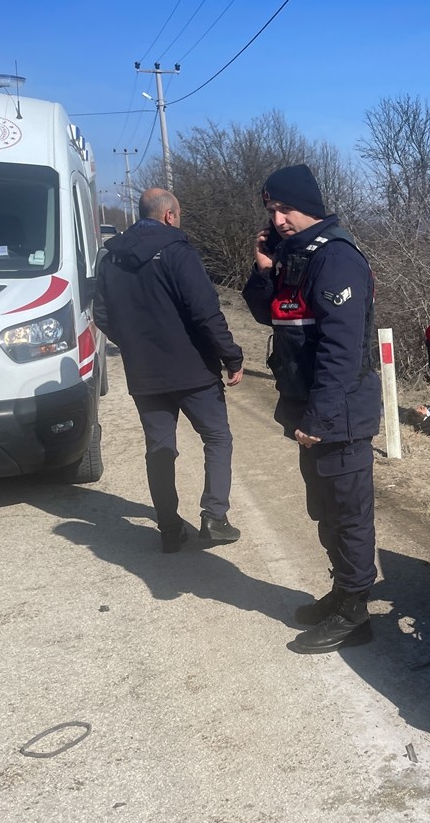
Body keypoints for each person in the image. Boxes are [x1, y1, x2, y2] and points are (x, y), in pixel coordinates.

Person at [241, 164, 381, 655]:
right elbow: (267, 313)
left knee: (348, 513)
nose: (278, 219)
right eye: (271, 211)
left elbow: (341, 353)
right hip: (311, 409)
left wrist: (319, 420)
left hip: (339, 415)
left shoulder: (335, 258)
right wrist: (263, 268)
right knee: (324, 510)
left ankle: (355, 613)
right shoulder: (294, 256)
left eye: (286, 208)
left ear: (311, 207)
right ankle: (343, 592)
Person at [94, 188, 244, 553]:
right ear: (169, 216)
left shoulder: (109, 259)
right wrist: (231, 356)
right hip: (192, 370)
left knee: (160, 449)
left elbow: (101, 315)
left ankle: (169, 528)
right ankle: (214, 516)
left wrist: (133, 344)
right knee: (217, 438)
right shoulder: (178, 251)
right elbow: (205, 312)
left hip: (145, 374)